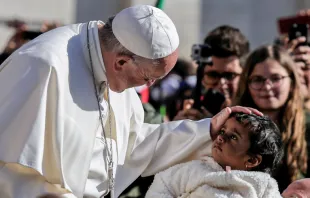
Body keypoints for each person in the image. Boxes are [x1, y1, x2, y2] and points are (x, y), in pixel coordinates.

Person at [0, 4, 261, 198]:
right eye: (148, 77)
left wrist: (208, 130)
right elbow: (14, 173)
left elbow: (135, 144)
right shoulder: (43, 67)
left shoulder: (108, 61)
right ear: (122, 61)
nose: (148, 86)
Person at [145, 113, 283, 198]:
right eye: (222, 131)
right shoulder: (195, 169)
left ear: (252, 160)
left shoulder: (264, 186)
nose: (221, 138)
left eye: (234, 137)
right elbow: (162, 184)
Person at [235, 45, 307, 191]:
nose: (267, 87)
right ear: (246, 84)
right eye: (258, 79)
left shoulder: (308, 125)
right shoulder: (231, 125)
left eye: (276, 78)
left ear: (292, 81)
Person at [173, 25, 250, 121]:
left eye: (229, 75)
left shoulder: (255, 112)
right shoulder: (191, 105)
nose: (222, 83)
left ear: (245, 75)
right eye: (213, 75)